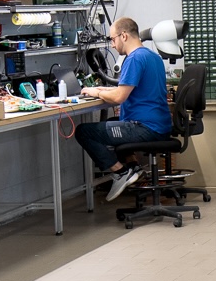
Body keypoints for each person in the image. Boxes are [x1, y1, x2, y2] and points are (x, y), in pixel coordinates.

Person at [74, 17, 173, 201]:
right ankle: (133, 167)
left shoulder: (134, 59)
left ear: (124, 36)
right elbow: (128, 88)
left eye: (113, 39)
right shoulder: (152, 57)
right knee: (113, 124)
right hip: (159, 126)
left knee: (83, 132)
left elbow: (119, 97)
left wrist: (96, 92)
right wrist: (103, 89)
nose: (112, 45)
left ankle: (121, 172)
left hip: (145, 128)